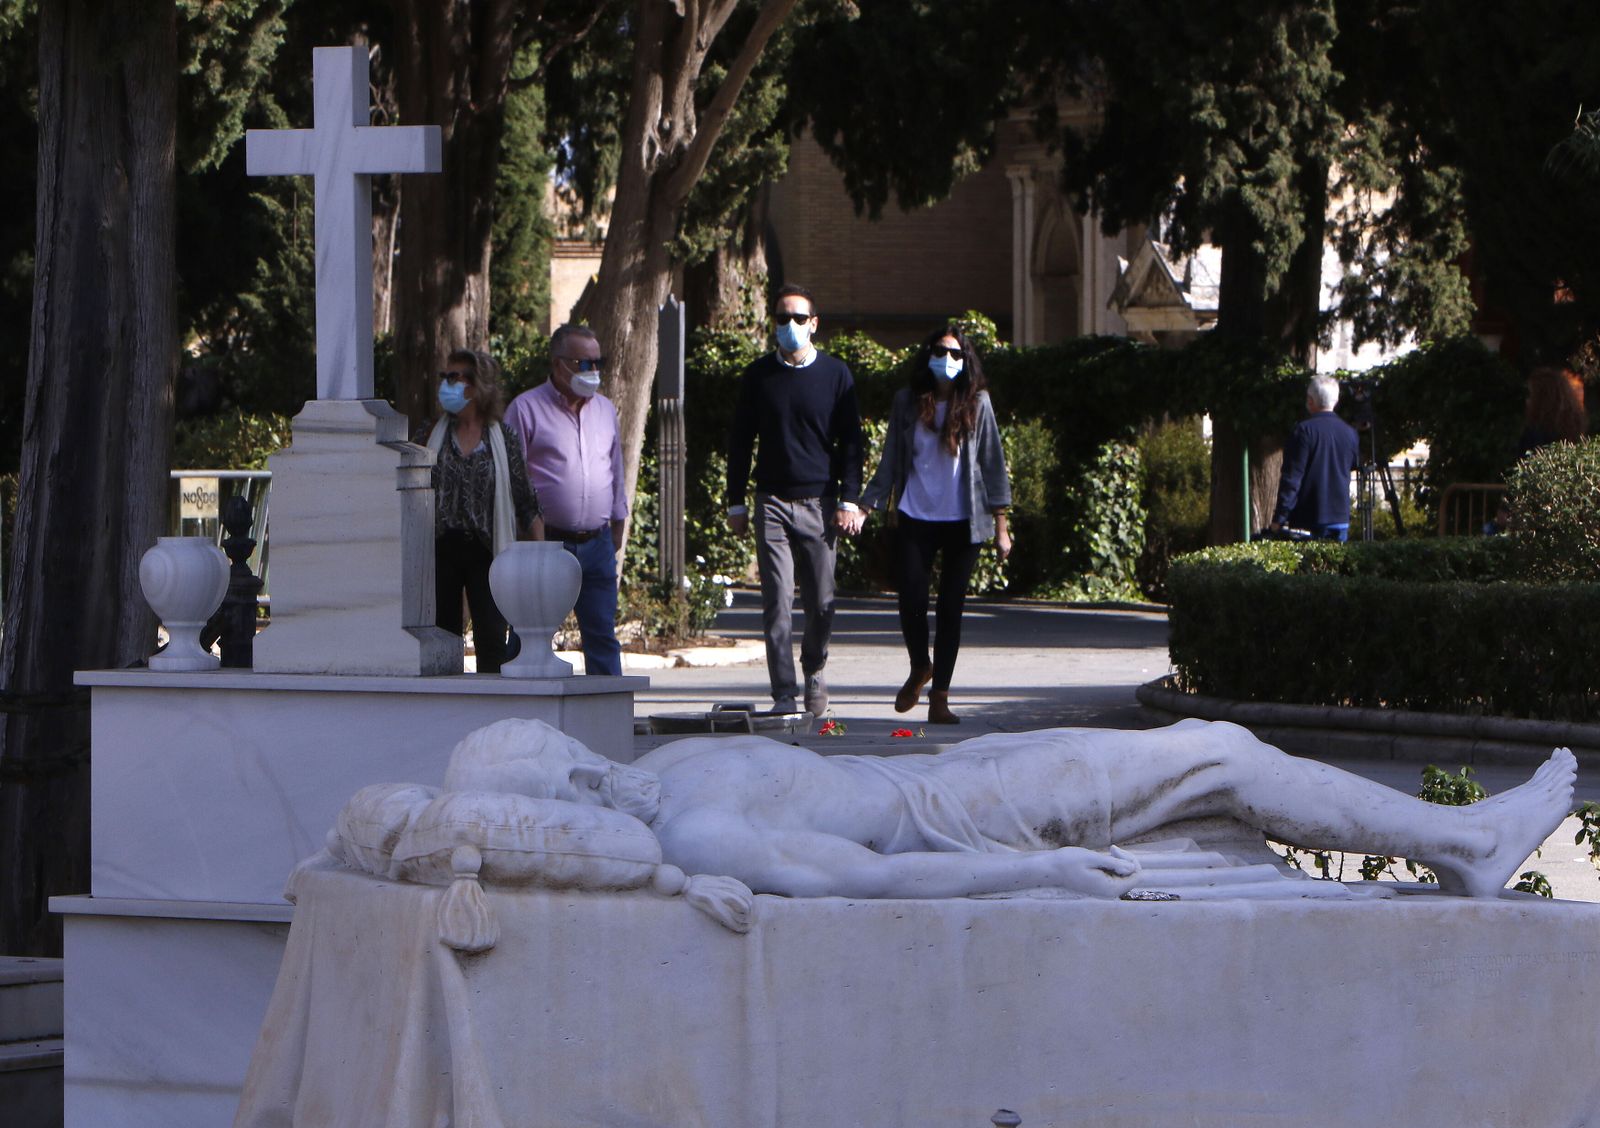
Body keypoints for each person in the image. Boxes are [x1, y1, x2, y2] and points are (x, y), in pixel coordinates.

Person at [446, 717, 1577, 904]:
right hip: (970, 814)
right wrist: (1036, 873)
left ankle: (1462, 841)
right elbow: (866, 879)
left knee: (1210, 760)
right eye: (564, 756)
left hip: (960, 767)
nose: (586, 754)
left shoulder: (665, 774)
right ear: (570, 792)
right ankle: (1469, 841)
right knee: (1218, 754)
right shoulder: (695, 831)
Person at [860, 326, 1012, 725]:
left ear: (966, 361)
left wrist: (1001, 526)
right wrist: (867, 505)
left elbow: (992, 463)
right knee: (910, 598)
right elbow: (891, 458)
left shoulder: (978, 402)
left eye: (956, 354)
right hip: (915, 514)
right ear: (928, 356)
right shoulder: (907, 401)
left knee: (950, 608)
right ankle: (919, 666)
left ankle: (940, 697)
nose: (948, 360)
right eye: (941, 352)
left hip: (965, 521)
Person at [726, 284, 865, 715]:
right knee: (777, 601)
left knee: (822, 602)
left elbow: (852, 442)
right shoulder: (758, 376)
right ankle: (784, 693)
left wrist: (850, 499)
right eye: (782, 318)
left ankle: (815, 666)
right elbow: (740, 441)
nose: (790, 325)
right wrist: (735, 502)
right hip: (772, 501)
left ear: (814, 324)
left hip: (820, 503)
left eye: (799, 318)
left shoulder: (836, 375)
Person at [505, 324, 629, 676]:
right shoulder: (526, 409)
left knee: (602, 636)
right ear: (558, 364)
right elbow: (512, 477)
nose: (594, 372)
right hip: (545, 543)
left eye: (598, 363)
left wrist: (618, 522)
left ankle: (608, 707)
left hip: (597, 542)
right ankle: (521, 704)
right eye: (584, 364)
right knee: (528, 637)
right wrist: (529, 533)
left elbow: (615, 468)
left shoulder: (605, 410)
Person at [414, 349, 540, 674]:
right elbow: (409, 489)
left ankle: (493, 704)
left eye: (454, 377)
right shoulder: (431, 433)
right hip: (440, 550)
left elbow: (525, 499)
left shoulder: (502, 437)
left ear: (477, 385)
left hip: (487, 551)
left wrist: (541, 558)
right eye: (445, 377)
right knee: (441, 639)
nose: (446, 385)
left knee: (492, 641)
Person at [1270, 374, 1360, 541]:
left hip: (1309, 518)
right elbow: (1353, 464)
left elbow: (1292, 478)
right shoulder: (1350, 433)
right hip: (1340, 517)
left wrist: (1280, 518)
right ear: (1336, 400)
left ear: (1310, 401)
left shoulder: (1303, 431)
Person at [1517, 366, 1587, 458]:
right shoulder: (1573, 429)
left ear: (1543, 398)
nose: (1527, 401)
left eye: (1531, 395)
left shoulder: (1534, 435)